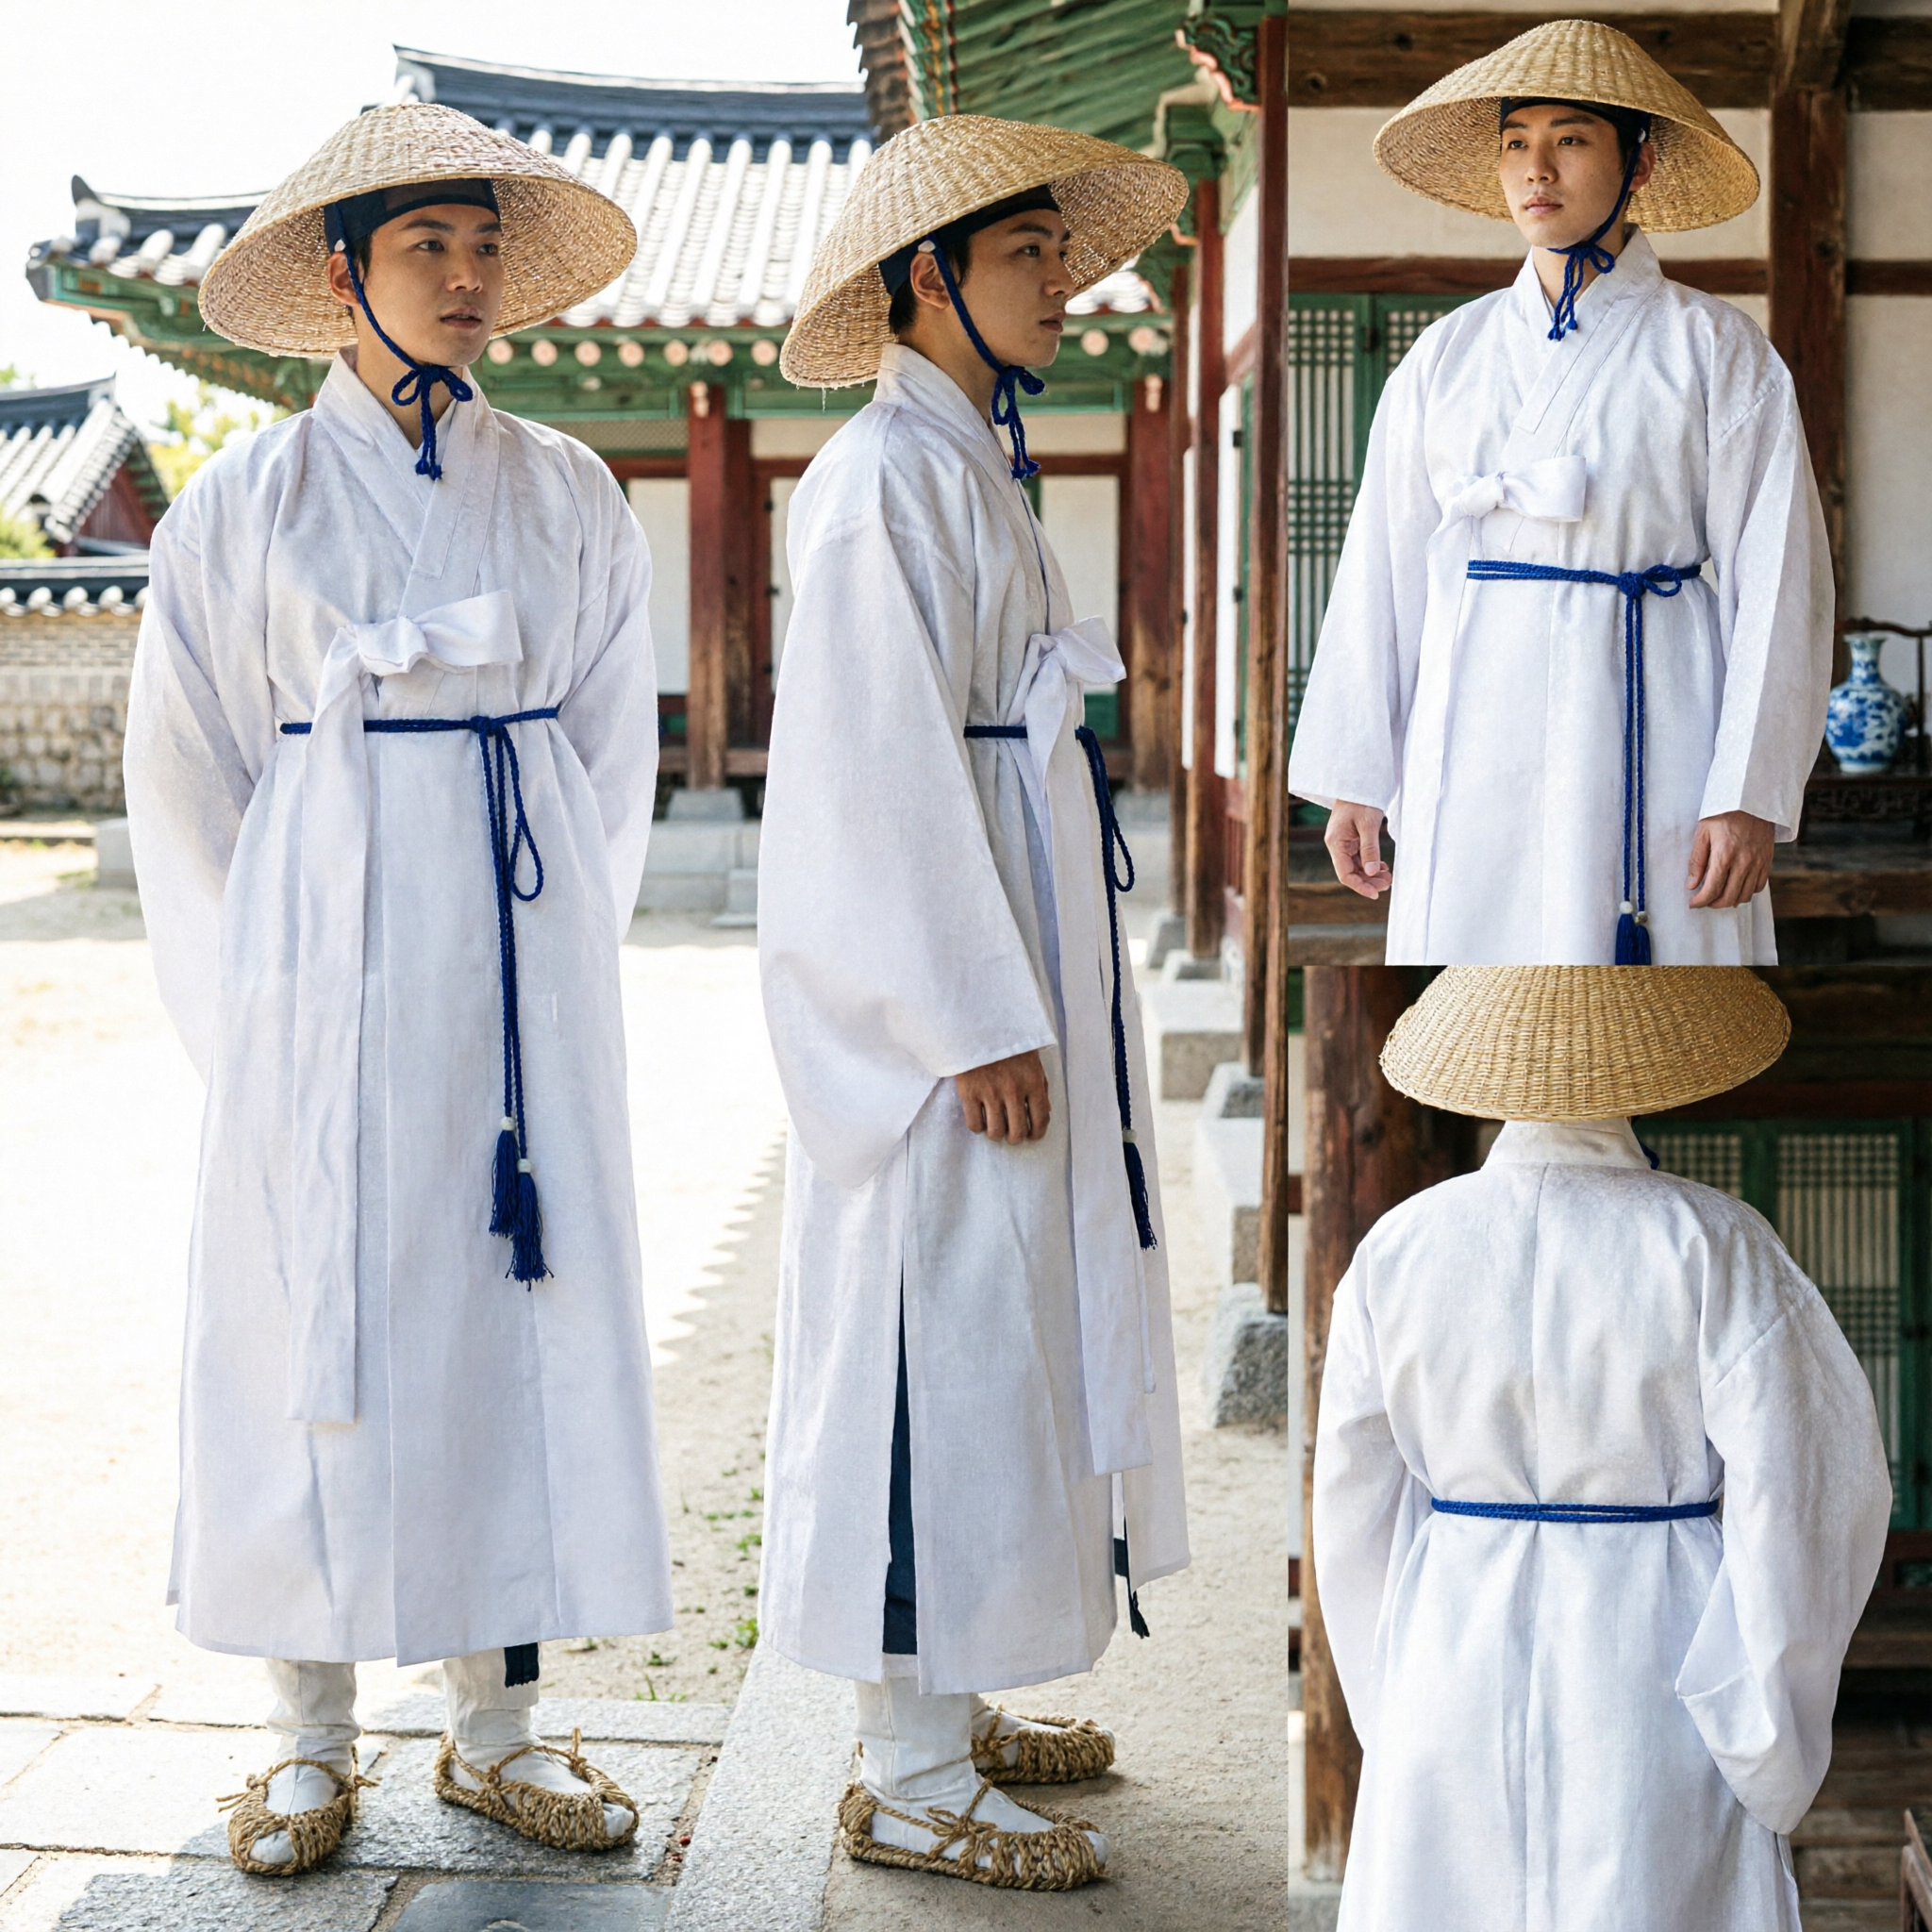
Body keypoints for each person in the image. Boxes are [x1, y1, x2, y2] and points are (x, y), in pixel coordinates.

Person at [126, 102, 671, 1874]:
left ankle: (498, 1719)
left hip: (512, 978)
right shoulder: (244, 503)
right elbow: (189, 776)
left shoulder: (569, 489)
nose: (464, 278)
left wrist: (551, 955)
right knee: (318, 1314)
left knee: (505, 1311)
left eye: (481, 246)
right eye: (426, 246)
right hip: (322, 968)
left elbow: (606, 746)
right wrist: (254, 1012)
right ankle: (306, 1729)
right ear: (343, 273)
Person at [760, 115, 1192, 1890]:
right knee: (926, 1339)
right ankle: (905, 1759)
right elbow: (869, 770)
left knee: (997, 1327)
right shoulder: (880, 480)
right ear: (922, 275)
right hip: (942, 980)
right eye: (1026, 255)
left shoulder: (964, 463)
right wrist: (966, 1010)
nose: (1061, 282)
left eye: (1055, 254)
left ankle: (946, 1683)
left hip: (1009, 933)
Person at [1315, 966, 1890, 1928]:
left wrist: (1393, 1696)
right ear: (1640, 1071)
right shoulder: (1713, 1241)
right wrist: (1759, 1721)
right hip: (1656, 1646)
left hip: (1450, 1635)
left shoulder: (1398, 1245)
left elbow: (1350, 1497)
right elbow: (1812, 1482)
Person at [1287, 20, 1833, 965]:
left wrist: (1744, 789)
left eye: (1569, 139)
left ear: (1640, 163)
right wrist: (1355, 775)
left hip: (1648, 705)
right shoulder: (1444, 356)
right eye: (1514, 142)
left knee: (1641, 1002)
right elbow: (1381, 566)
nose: (1534, 168)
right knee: (1486, 1005)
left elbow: (1779, 576)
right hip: (1473, 713)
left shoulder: (1711, 349)